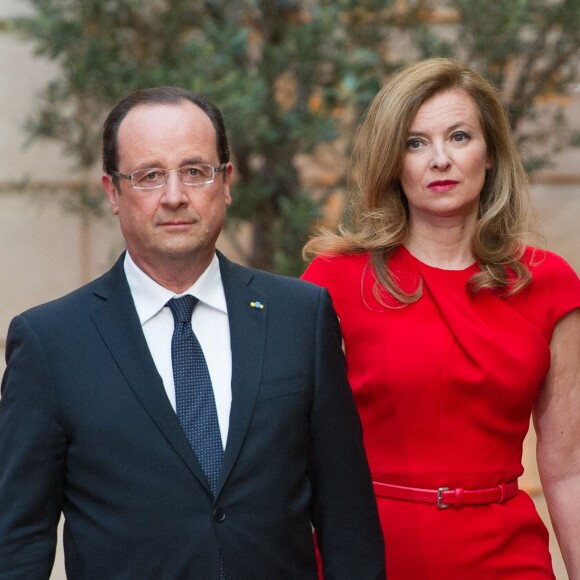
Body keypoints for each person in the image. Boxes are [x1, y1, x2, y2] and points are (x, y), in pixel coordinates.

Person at [0, 86, 386, 580]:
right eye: (149, 176)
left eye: (195, 171)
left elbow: (347, 521)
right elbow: (19, 541)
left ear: (226, 182)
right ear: (112, 192)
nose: (175, 195)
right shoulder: (50, 343)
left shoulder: (300, 317)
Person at [302, 58, 580, 579]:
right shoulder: (334, 279)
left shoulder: (550, 284)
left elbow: (569, 471)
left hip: (508, 558)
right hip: (370, 554)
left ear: (490, 152)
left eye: (458, 136)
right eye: (415, 143)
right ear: (393, 160)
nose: (439, 160)